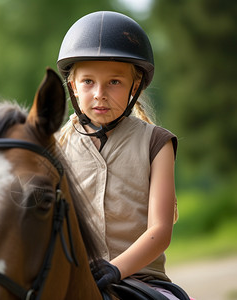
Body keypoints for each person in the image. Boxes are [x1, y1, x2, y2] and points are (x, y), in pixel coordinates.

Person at [56, 11, 187, 300]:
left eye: (114, 82)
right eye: (88, 81)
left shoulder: (157, 143)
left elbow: (161, 230)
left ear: (134, 85)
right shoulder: (55, 149)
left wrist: (115, 270)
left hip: (142, 279)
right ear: (73, 87)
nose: (100, 94)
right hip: (73, 283)